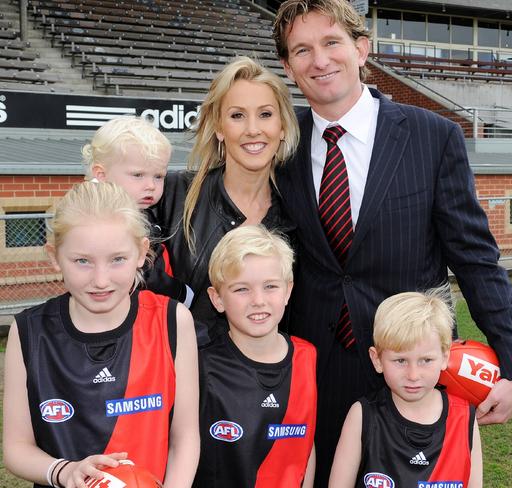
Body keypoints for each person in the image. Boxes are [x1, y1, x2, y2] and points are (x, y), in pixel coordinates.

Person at [272, 0, 512, 480]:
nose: (319, 60)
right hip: (312, 368)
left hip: (414, 368)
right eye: (302, 49)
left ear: (362, 49)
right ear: (287, 65)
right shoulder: (279, 143)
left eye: (332, 42)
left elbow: (475, 258)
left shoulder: (432, 136)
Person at [2, 182, 199, 488]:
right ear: (55, 257)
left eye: (117, 259)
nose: (100, 280)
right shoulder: (29, 331)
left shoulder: (173, 321)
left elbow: (185, 436)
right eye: (82, 261)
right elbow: (16, 448)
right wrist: (63, 471)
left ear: (141, 253)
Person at [151, 56, 299, 345]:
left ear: (282, 127)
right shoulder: (170, 193)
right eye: (237, 116)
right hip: (182, 377)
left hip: (265, 383)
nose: (253, 129)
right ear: (219, 127)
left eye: (266, 114)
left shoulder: (299, 214)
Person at [193, 225, 317, 487]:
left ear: (288, 291)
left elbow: (306, 443)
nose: (258, 300)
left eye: (270, 286)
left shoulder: (306, 356)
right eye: (241, 290)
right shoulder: (201, 365)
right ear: (217, 299)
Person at [329, 289, 482, 487]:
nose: (413, 375)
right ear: (377, 359)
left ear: (445, 357)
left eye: (426, 360)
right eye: (400, 360)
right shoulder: (362, 415)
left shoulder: (464, 418)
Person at [82, 116, 193, 307]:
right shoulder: (104, 220)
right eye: (138, 175)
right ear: (101, 175)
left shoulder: (140, 210)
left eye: (158, 176)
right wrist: (183, 294)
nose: (150, 185)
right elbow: (145, 273)